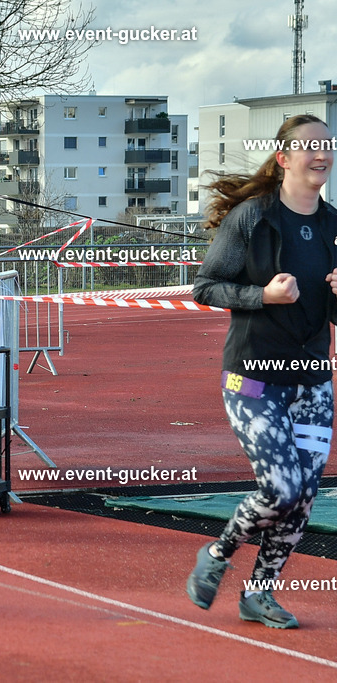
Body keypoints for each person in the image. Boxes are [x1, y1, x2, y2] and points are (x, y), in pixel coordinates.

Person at [188, 114, 337, 629]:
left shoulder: (335, 224)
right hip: (252, 377)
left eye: (328, 146)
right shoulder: (252, 217)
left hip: (313, 380)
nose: (322, 155)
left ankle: (260, 594)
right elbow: (205, 287)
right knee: (281, 489)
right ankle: (219, 552)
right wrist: (263, 295)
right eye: (310, 147)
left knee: (304, 498)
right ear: (283, 158)